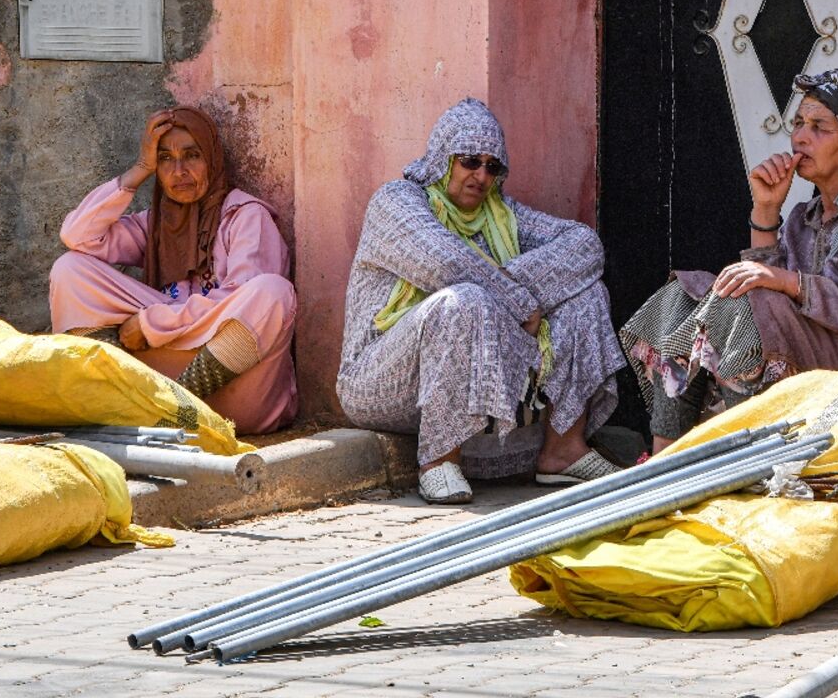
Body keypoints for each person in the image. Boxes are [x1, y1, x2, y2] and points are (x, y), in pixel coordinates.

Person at [621, 68, 838, 454]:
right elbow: (766, 293)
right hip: (825, 352)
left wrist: (788, 282)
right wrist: (766, 212)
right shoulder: (804, 217)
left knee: (745, 302)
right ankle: (665, 455)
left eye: (819, 127)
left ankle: (749, 457)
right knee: (683, 295)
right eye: (798, 123)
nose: (800, 136)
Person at [337, 98, 625, 504]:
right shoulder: (397, 201)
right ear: (443, 158)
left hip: (477, 360)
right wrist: (519, 302)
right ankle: (439, 459)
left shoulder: (501, 213)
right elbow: (444, 264)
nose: (481, 175)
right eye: (470, 160)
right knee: (465, 299)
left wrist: (515, 285)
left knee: (587, 292)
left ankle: (563, 450)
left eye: (493, 166)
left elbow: (584, 245)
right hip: (379, 379)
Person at [49, 106, 297, 435]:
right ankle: (122, 401)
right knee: (70, 270)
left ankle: (174, 410)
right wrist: (140, 169)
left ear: (212, 159)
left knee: (272, 292)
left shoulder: (246, 216)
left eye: (192, 156)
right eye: (166, 159)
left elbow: (248, 303)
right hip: (161, 377)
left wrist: (151, 324)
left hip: (238, 393)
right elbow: (77, 236)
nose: (178, 171)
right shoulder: (155, 225)